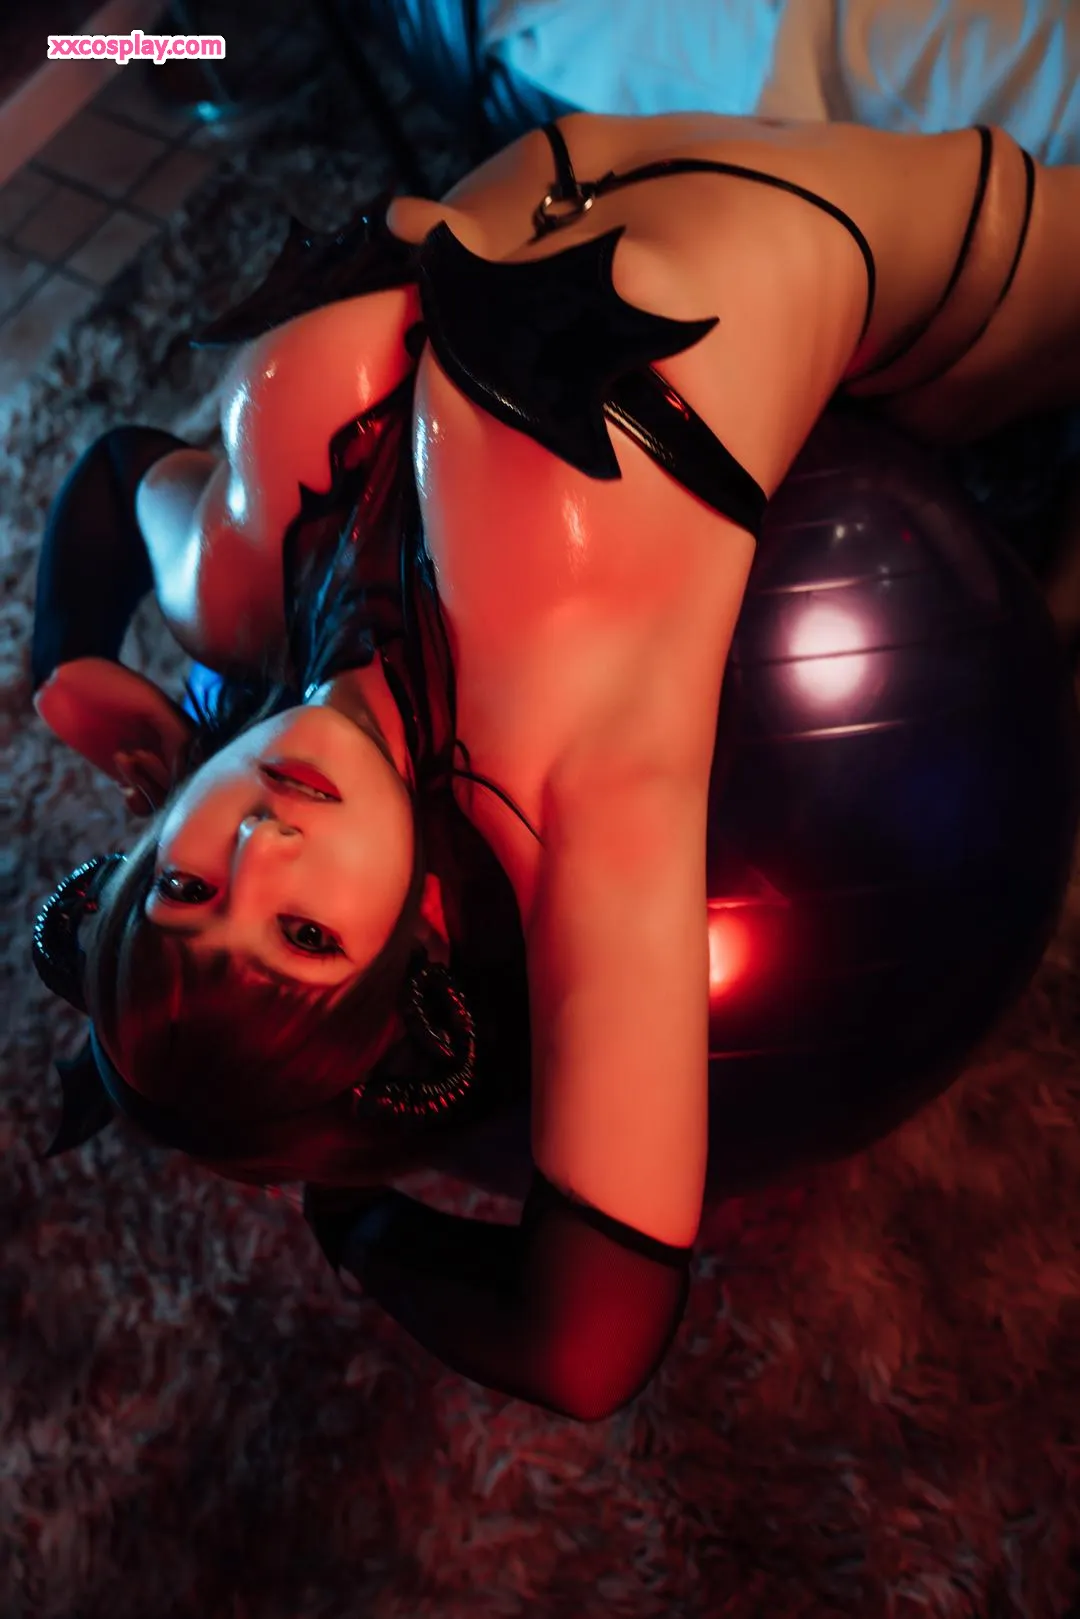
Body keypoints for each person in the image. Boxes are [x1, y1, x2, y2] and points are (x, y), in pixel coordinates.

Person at [30, 111, 1080, 1420]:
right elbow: (586, 1345)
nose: (257, 851)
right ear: (419, 932)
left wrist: (60, 665)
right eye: (301, 933)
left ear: (146, 831)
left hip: (713, 183)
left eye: (186, 889)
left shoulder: (234, 574)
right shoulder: (587, 789)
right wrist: (358, 1225)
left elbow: (112, 475)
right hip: (951, 268)